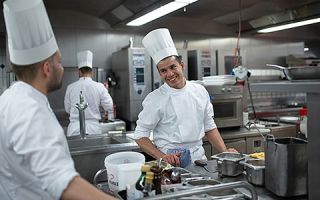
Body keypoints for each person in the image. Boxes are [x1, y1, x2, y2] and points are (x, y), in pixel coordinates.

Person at [0, 0, 116, 199]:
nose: (62, 68)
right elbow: (63, 183)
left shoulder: (10, 99)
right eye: (59, 62)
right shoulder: (30, 110)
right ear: (47, 68)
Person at [134, 28, 236, 168]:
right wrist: (162, 157)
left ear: (181, 66)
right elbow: (140, 135)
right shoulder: (155, 99)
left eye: (173, 67)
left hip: (199, 160)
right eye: (163, 70)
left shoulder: (199, 91)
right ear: (159, 73)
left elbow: (209, 126)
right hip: (170, 164)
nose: (169, 74)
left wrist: (225, 152)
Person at [64, 50, 114, 136]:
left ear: (79, 71)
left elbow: (67, 109)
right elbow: (109, 106)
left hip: (74, 129)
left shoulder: (70, 87)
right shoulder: (99, 86)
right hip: (93, 130)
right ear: (92, 71)